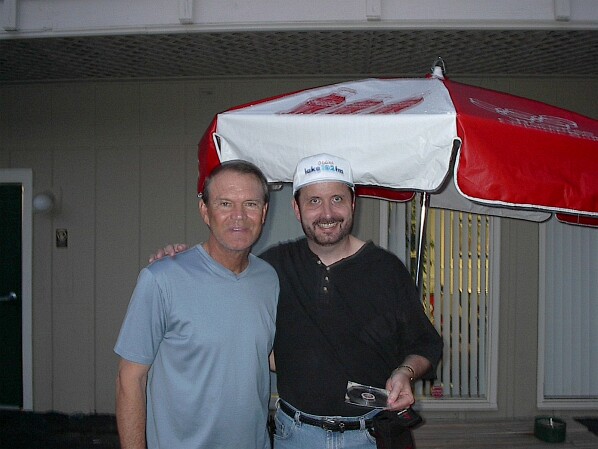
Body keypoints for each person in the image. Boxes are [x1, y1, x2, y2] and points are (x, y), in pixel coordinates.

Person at [153, 153, 443, 449]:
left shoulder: (386, 269)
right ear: (296, 208)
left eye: (337, 199)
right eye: (314, 201)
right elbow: (219, 277)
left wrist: (405, 372)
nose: (327, 213)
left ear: (353, 204)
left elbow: (425, 345)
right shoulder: (270, 268)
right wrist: (179, 261)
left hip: (371, 434)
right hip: (294, 436)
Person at [114, 160, 279, 449]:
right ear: (205, 211)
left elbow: (265, 355)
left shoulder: (269, 279)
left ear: (264, 212)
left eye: (251, 204)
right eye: (225, 203)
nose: (239, 216)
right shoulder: (161, 279)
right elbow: (130, 381)